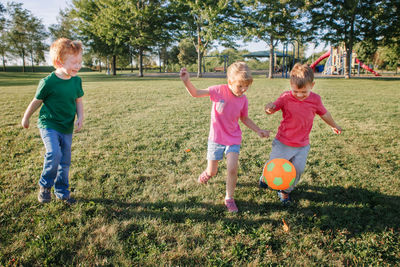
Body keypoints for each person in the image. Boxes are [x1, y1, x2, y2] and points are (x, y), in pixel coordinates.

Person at [180, 62, 271, 212]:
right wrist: (186, 81)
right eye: (240, 86)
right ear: (230, 82)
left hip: (233, 138)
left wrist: (258, 130)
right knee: (212, 171)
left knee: (232, 169)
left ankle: (229, 197)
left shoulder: (243, 99)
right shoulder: (218, 90)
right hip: (216, 139)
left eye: (246, 86)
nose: (244, 90)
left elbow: (245, 118)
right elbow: (196, 93)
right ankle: (208, 173)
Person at [259, 63, 342, 204]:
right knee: (275, 165)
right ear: (291, 84)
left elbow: (324, 114)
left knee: (297, 170)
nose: (299, 95)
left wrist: (334, 125)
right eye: (296, 91)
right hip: (283, 142)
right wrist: (269, 108)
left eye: (304, 92)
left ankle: (285, 192)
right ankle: (265, 177)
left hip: (302, 145)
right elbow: (273, 108)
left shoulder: (315, 100)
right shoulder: (286, 97)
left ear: (312, 85)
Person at [21, 38, 84, 204]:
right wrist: (26, 117)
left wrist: (81, 117)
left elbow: (78, 101)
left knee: (65, 161)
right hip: (49, 125)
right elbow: (36, 101)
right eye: (74, 62)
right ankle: (45, 186)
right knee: (54, 153)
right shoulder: (48, 82)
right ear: (59, 62)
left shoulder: (76, 81)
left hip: (66, 126)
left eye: (80, 62)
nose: (78, 66)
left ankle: (62, 191)